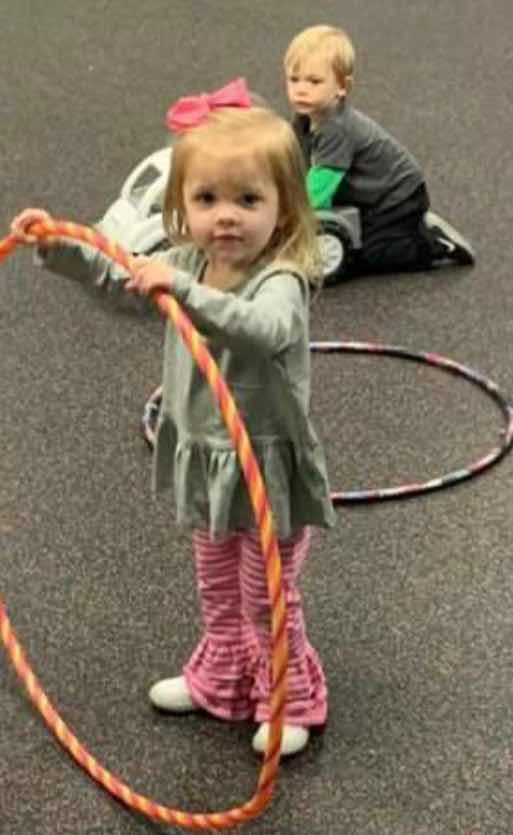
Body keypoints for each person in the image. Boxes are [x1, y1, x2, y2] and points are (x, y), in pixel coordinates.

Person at [11, 84, 336, 756]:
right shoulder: (187, 261)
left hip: (262, 463)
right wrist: (60, 247)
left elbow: (262, 331)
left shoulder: (280, 278)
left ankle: (291, 700)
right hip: (205, 456)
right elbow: (119, 281)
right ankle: (221, 679)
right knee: (216, 586)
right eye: (207, 199)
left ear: (283, 207)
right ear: (181, 205)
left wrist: (183, 291)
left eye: (247, 200)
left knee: (265, 596)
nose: (226, 218)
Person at [284, 24, 475, 277]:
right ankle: (410, 229)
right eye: (294, 79)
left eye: (314, 81)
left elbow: (320, 185)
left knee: (376, 253)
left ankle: (432, 242)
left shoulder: (337, 128)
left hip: (397, 196)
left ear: (342, 87)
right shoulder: (304, 119)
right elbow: (294, 157)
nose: (301, 89)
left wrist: (290, 211)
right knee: (357, 234)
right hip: (366, 193)